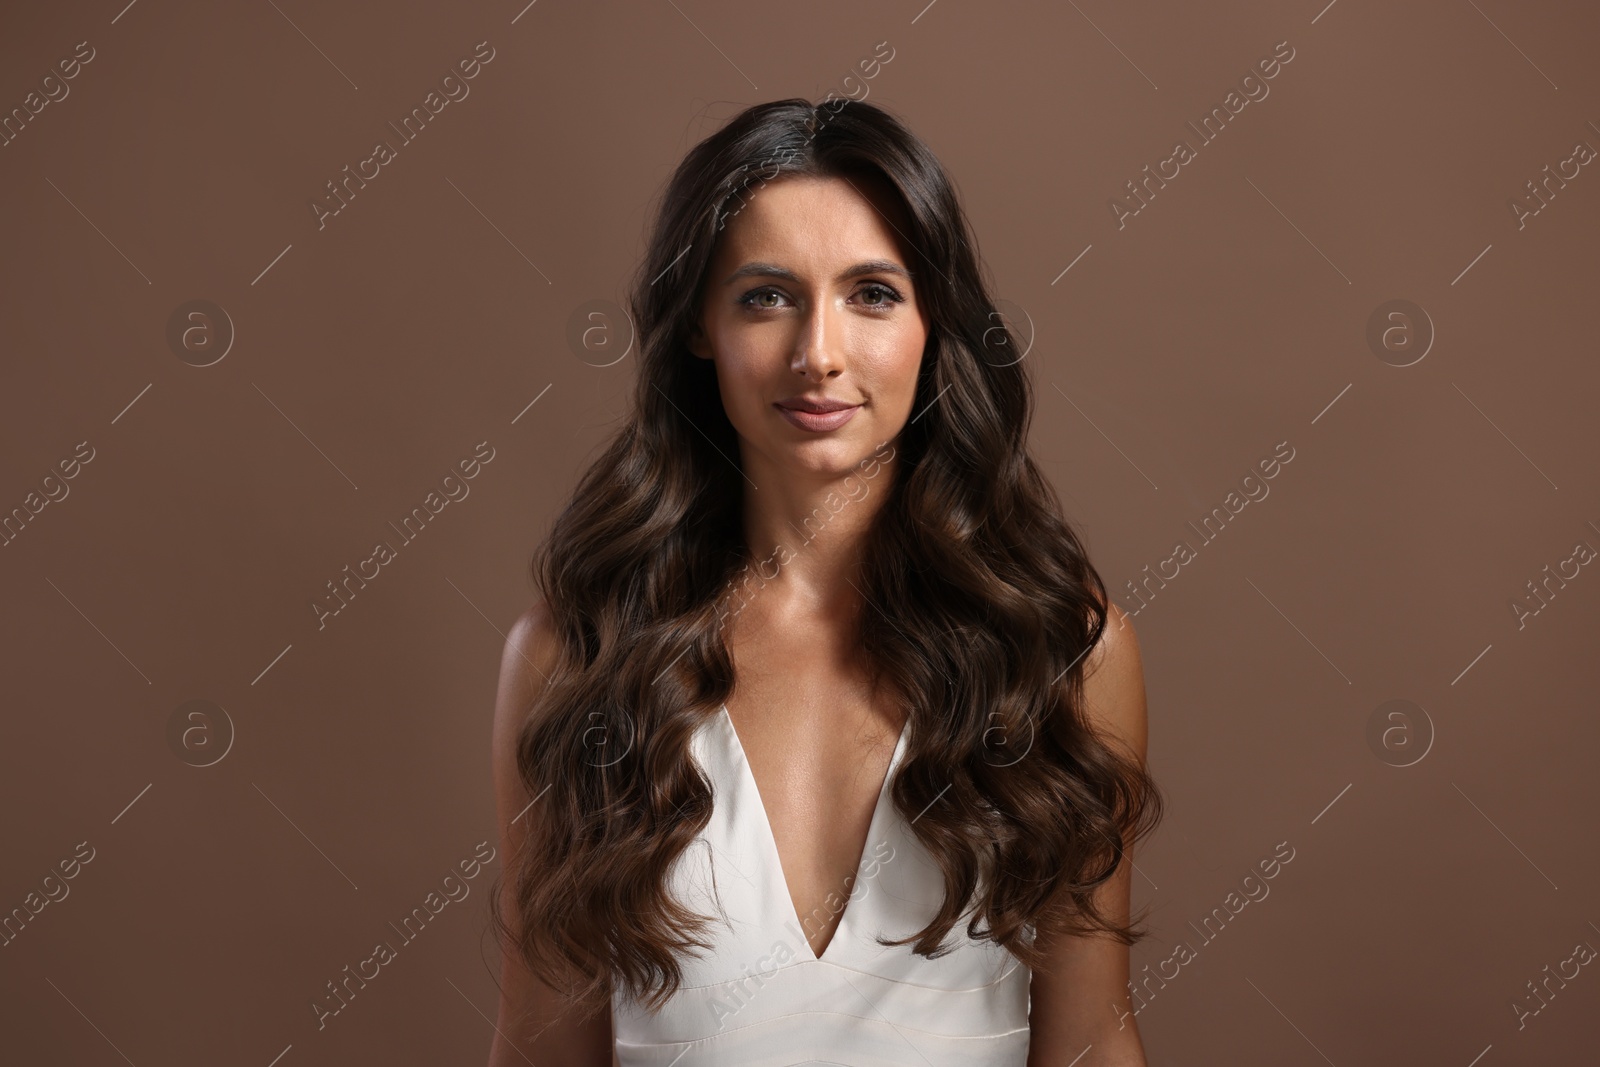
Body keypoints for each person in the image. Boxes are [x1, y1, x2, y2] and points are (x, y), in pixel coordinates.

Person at [485, 97, 1163, 1066]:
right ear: (698, 327)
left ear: (935, 323)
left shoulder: (1061, 651)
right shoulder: (575, 657)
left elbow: (1092, 1045)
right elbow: (539, 1049)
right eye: (766, 295)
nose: (819, 354)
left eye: (872, 293)